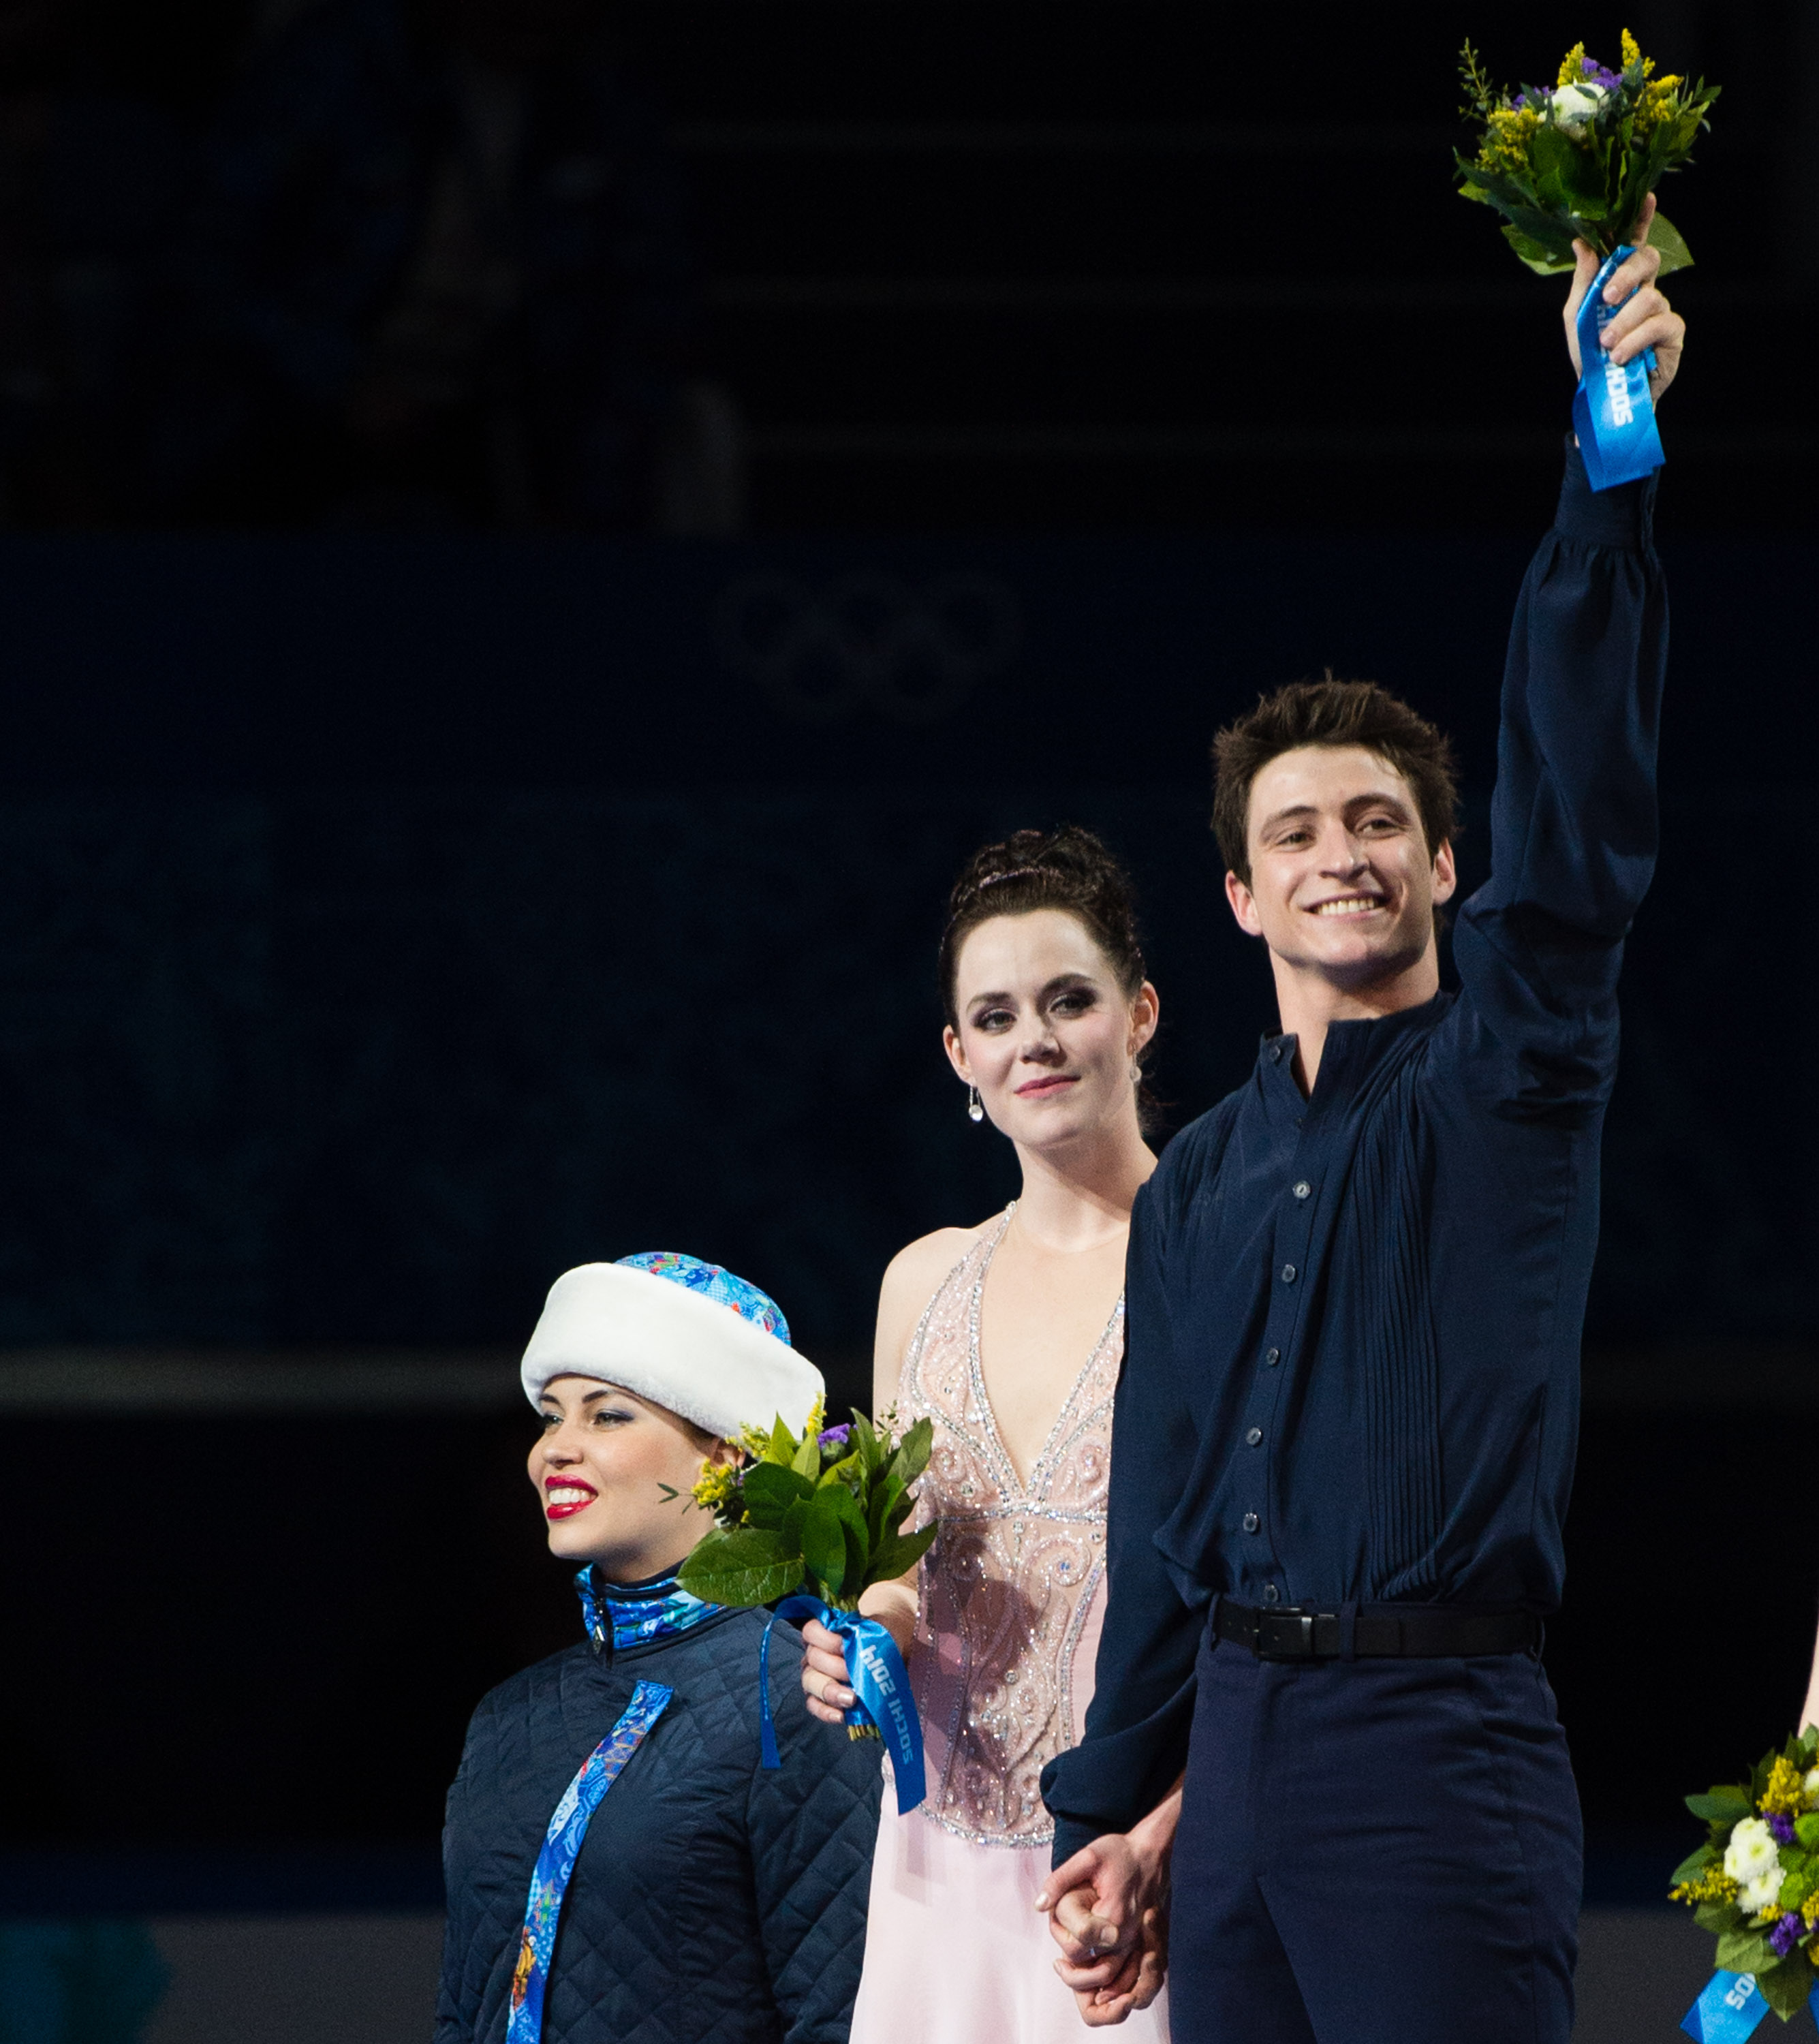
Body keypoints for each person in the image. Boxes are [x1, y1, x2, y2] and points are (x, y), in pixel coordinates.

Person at [1039, 210, 1687, 2044]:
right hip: (1230, 1764)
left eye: (1380, 821)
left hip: (1432, 1746)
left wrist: (1602, 485)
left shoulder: (1507, 1075)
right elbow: (1165, 1510)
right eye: (1299, 833)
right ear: (1238, 898)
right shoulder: (1204, 1178)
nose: (1343, 851)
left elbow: (1578, 819)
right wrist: (1125, 1808)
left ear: (1442, 865)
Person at [797, 824, 1172, 2038]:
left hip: (1132, 1872)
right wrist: (866, 1641)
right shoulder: (923, 1281)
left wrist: (1165, 1835)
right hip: (935, 1875)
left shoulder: (1215, 1259)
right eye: (998, 1016)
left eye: (1070, 999)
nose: (1038, 1041)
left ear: (1141, 1012)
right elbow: (902, 1560)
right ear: (959, 1054)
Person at [435, 1252, 880, 2044]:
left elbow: (839, 2016)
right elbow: (462, 2007)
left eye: (606, 1415)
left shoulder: (804, 1691)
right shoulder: (510, 1715)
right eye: (551, 1416)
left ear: (730, 1453)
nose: (554, 1450)